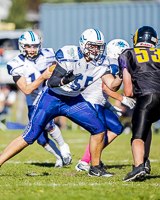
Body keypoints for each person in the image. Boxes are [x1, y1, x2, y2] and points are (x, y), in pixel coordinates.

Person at [0, 28, 123, 177]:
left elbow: (112, 85)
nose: (96, 50)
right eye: (92, 46)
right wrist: (65, 79)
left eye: (98, 46)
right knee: (31, 135)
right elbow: (52, 82)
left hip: (74, 100)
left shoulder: (103, 62)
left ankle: (95, 168)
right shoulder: (68, 54)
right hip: (52, 98)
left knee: (99, 129)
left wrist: (121, 75)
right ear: (84, 44)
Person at [6, 31, 71, 168]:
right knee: (41, 139)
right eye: (29, 46)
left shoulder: (48, 53)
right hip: (32, 102)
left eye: (35, 46)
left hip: (49, 97)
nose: (32, 49)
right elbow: (27, 89)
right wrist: (43, 76)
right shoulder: (16, 64)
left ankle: (63, 146)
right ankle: (59, 157)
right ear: (22, 46)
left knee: (48, 125)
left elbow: (61, 63)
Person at [74, 39, 136, 172]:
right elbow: (106, 87)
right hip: (92, 103)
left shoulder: (107, 62)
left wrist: (109, 106)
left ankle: (93, 156)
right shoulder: (113, 64)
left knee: (115, 128)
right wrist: (122, 99)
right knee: (101, 131)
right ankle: (85, 161)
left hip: (98, 102)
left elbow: (99, 90)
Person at [119, 26, 159, 182]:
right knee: (147, 126)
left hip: (147, 98)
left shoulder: (128, 53)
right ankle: (146, 160)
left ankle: (138, 167)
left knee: (137, 136)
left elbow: (128, 91)